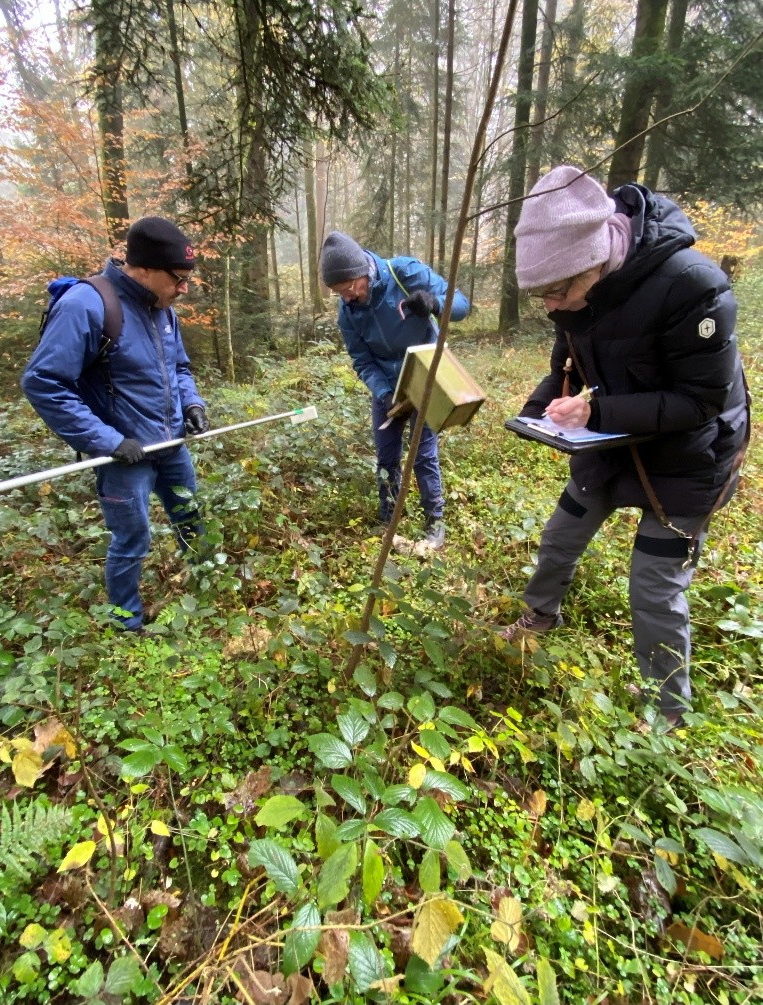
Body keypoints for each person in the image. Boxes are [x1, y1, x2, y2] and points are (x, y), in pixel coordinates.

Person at [502, 166, 749, 726]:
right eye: (542, 295)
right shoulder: (572, 296)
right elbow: (568, 364)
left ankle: (668, 713)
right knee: (561, 533)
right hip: (611, 440)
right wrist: (539, 410)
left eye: (557, 292)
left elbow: (699, 402)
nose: (550, 306)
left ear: (594, 259)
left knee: (654, 587)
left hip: (691, 457)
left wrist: (598, 411)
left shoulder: (694, 285)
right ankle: (540, 616)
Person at [22, 216, 210, 632]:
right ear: (143, 268)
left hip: (171, 444)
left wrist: (192, 403)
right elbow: (43, 382)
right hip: (124, 456)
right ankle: (127, 622)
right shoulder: (87, 306)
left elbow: (179, 367)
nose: (184, 289)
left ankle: (206, 589)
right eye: (178, 278)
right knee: (132, 541)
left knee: (190, 516)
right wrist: (108, 440)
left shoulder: (163, 310)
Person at [320, 231, 470, 551]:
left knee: (422, 453)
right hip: (388, 387)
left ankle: (435, 522)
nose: (346, 297)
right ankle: (388, 520)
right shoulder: (348, 312)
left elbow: (460, 306)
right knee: (386, 456)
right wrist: (384, 392)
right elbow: (362, 360)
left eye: (348, 288)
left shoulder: (404, 273)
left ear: (362, 271)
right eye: (338, 293)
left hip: (424, 376)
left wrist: (434, 303)